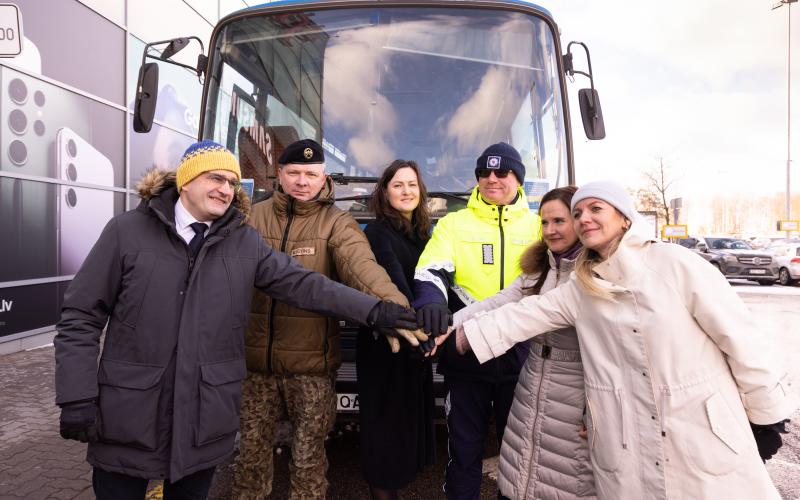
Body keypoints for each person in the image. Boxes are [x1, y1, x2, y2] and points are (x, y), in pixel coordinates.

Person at [53, 141, 421, 500]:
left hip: (202, 423)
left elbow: (307, 285)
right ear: (185, 181)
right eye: (215, 178)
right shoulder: (126, 232)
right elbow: (81, 316)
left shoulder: (242, 241)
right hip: (130, 416)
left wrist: (376, 311)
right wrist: (77, 395)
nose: (225, 189)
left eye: (231, 182)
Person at [447, 181, 797, 499]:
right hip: (629, 440)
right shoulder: (583, 285)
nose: (584, 219)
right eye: (579, 212)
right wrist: (456, 339)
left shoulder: (673, 263)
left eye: (596, 209)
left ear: (625, 218)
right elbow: (521, 314)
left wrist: (767, 415)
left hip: (699, 429)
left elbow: (740, 337)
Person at [233, 140, 426, 500]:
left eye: (310, 174)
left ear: (323, 178)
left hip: (311, 368)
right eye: (294, 173)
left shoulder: (337, 222)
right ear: (280, 175)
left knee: (308, 467)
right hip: (255, 366)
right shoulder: (251, 219)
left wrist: (398, 311)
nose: (302, 182)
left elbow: (363, 269)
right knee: (250, 464)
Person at [413, 142, 541, 499]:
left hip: (522, 358)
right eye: (484, 173)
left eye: (502, 172)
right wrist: (431, 302)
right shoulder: (454, 224)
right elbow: (430, 270)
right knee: (463, 452)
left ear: (518, 178)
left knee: (517, 456)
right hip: (467, 356)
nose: (492, 179)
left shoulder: (539, 226)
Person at [452, 185, 595, 499]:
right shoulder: (541, 266)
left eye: (559, 221)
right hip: (532, 384)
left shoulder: (594, 272)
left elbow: (526, 314)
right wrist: (450, 326)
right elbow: (500, 302)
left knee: (563, 477)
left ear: (579, 220)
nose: (550, 230)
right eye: (544, 223)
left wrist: (465, 339)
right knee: (523, 469)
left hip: (573, 393)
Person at [357, 160, 437, 500]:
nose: (406, 191)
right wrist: (422, 338)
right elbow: (396, 282)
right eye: (398, 185)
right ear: (384, 192)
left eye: (412, 185)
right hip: (386, 347)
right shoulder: (377, 232)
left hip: (414, 346)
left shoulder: (422, 234)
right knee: (384, 436)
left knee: (402, 434)